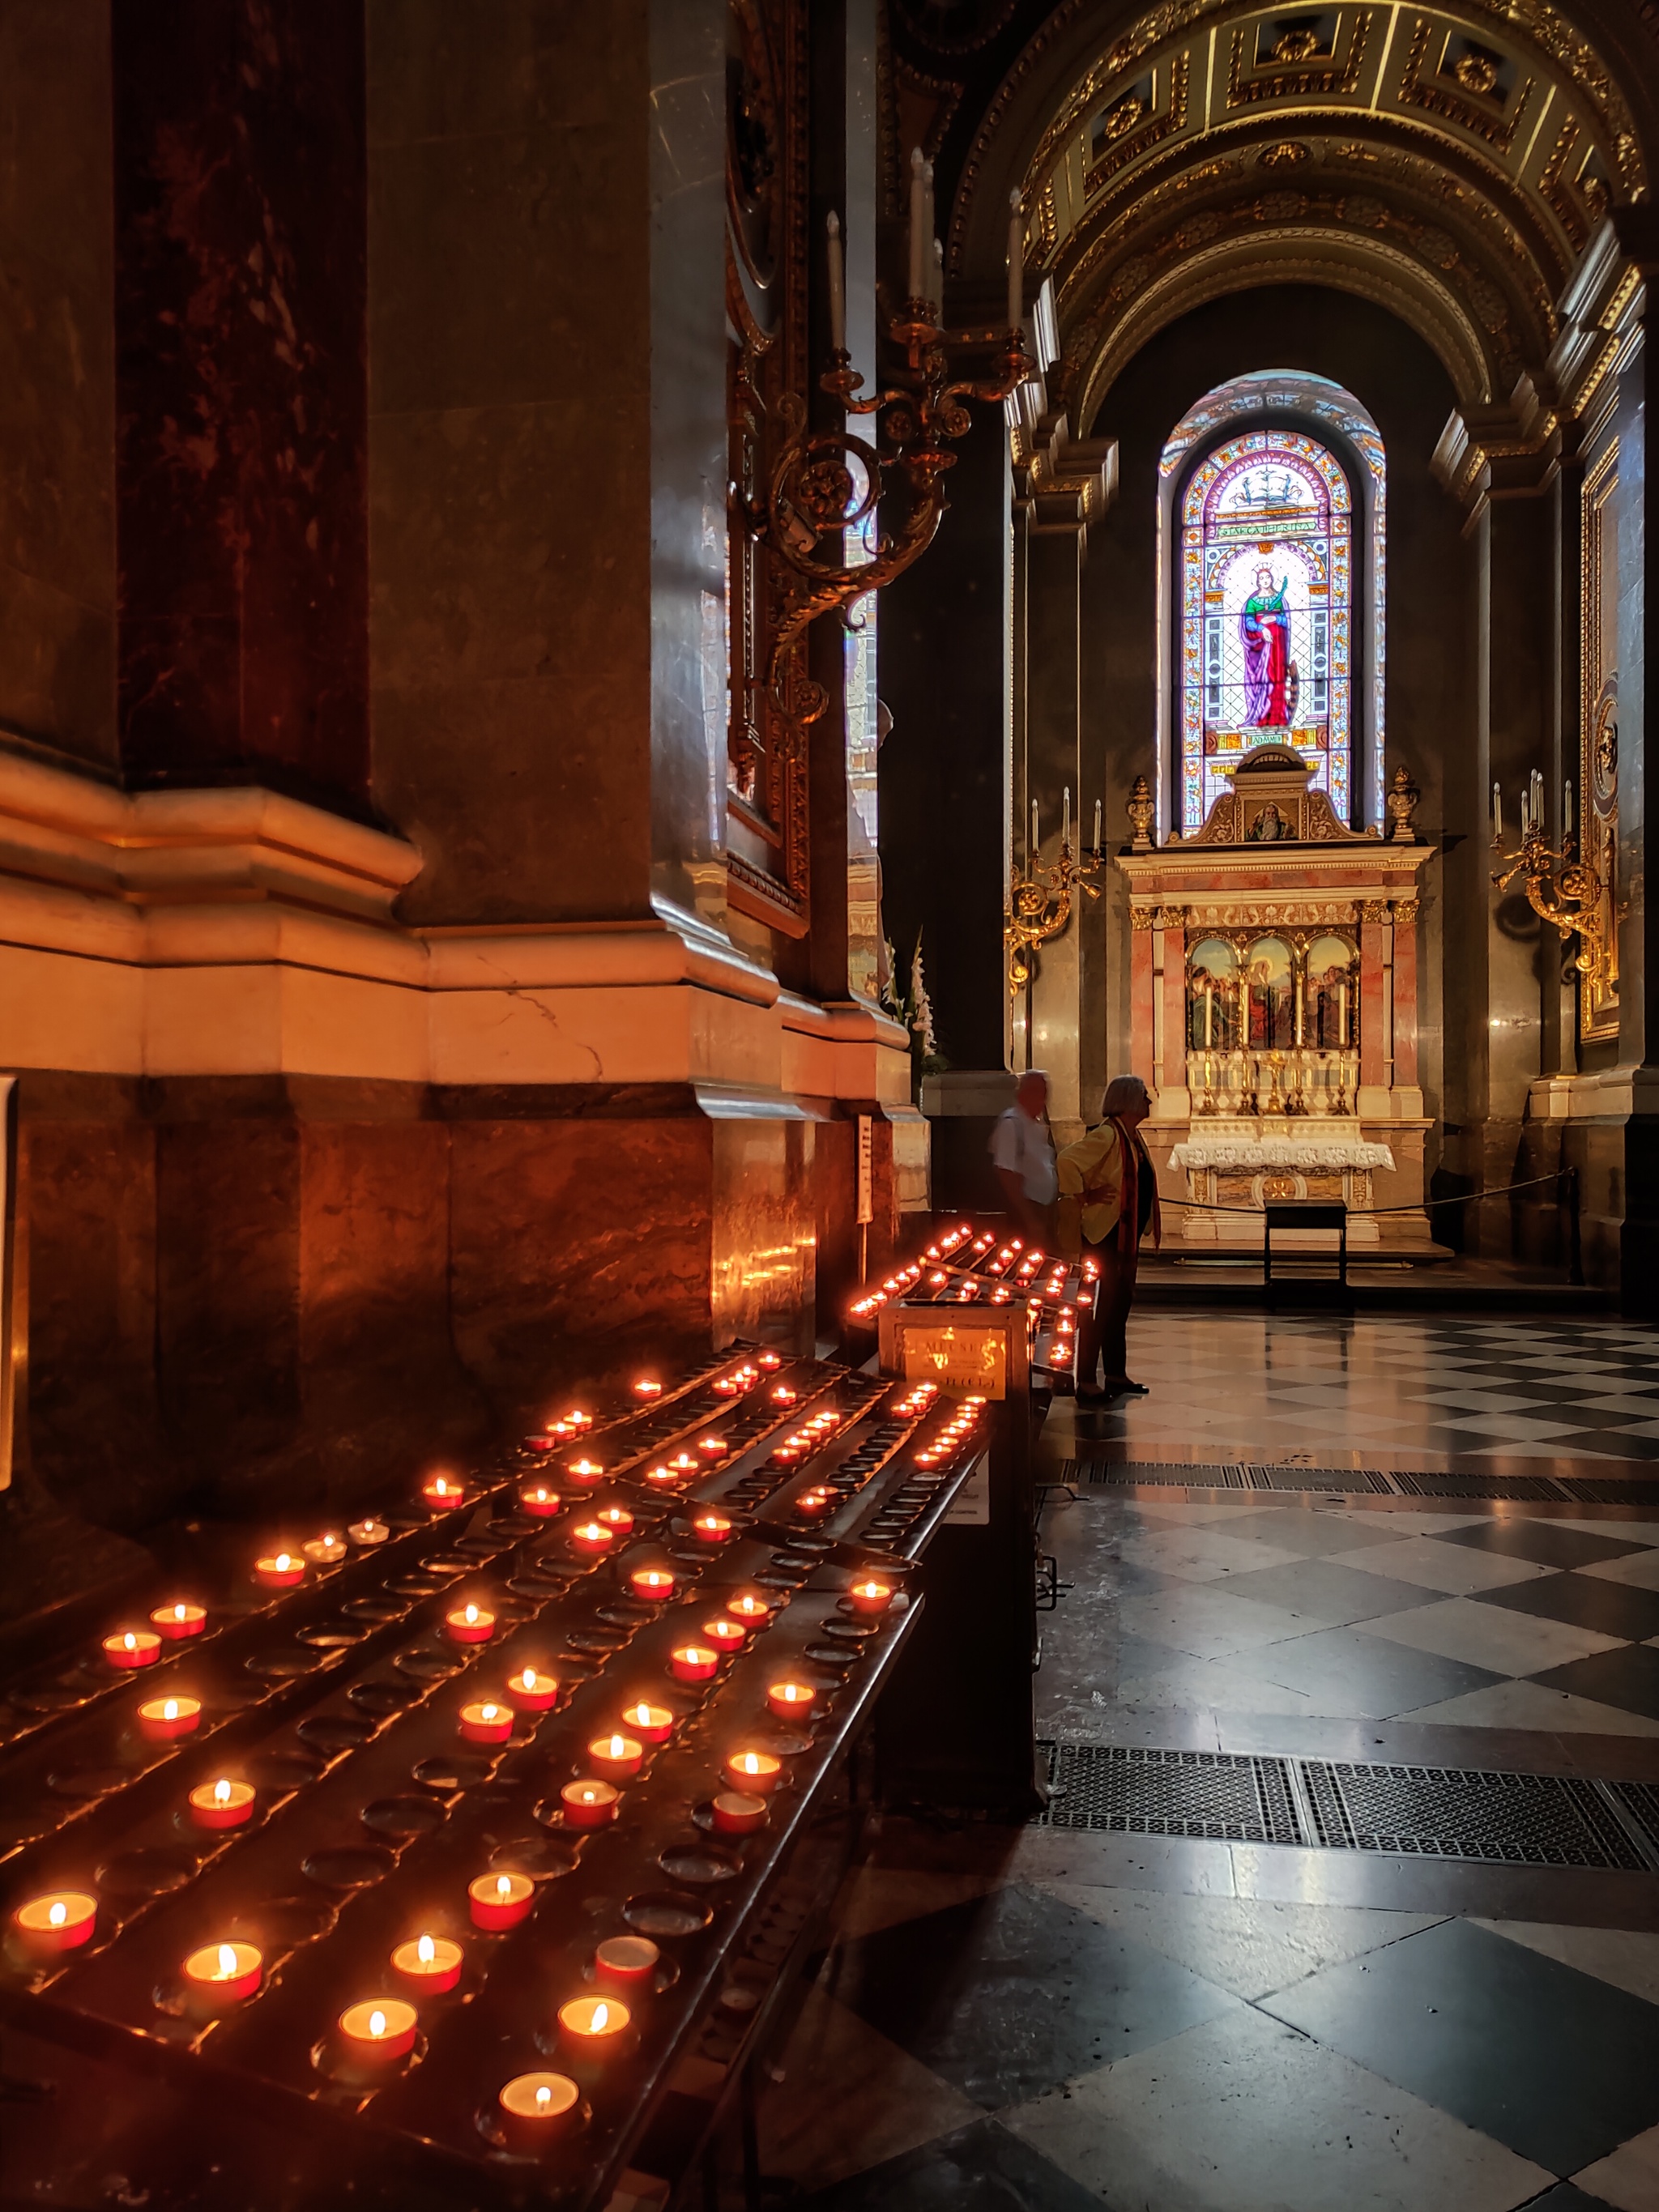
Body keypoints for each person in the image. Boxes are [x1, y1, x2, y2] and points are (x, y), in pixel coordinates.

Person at [1056, 1074, 1162, 1402]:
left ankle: (1116, 1374)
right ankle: (1086, 1379)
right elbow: (1067, 1161)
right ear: (1129, 1100)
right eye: (1144, 1096)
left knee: (1118, 1306)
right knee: (1097, 1307)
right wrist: (1083, 1194)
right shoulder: (1107, 1135)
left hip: (1124, 1235)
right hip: (1104, 1235)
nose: (1149, 1102)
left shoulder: (1131, 1136)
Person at [990, 1068, 1058, 1245]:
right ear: (1023, 1093)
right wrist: (1029, 1218)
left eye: (1044, 1093)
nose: (1043, 1099)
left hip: (1043, 1208)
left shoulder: (1036, 1124)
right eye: (1037, 1092)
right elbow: (1006, 1172)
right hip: (1023, 1211)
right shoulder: (1011, 1124)